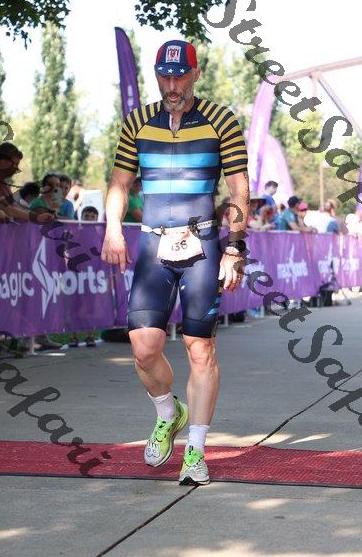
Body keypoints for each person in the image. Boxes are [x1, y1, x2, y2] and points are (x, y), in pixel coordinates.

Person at [101, 39, 249, 485]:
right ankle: (169, 412)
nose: (172, 86)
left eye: (180, 76)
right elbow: (120, 183)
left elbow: (239, 189)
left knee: (199, 348)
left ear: (195, 74)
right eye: (164, 77)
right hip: (153, 246)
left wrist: (235, 248)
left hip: (202, 245)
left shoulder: (221, 120)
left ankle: (196, 452)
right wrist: (112, 228)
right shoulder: (138, 122)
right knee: (143, 347)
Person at [0, 142, 53, 224]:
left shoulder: (4, 185)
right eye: (15, 164)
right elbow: (8, 209)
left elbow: (14, 206)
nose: (16, 168)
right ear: (2, 162)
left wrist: (38, 215)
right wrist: (36, 217)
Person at [69, 206, 100, 348]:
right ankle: (73, 336)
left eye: (92, 217)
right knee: (75, 305)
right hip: (76, 275)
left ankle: (90, 336)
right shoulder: (76, 233)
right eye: (87, 216)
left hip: (93, 276)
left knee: (91, 306)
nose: (89, 219)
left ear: (96, 219)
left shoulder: (99, 235)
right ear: (81, 217)